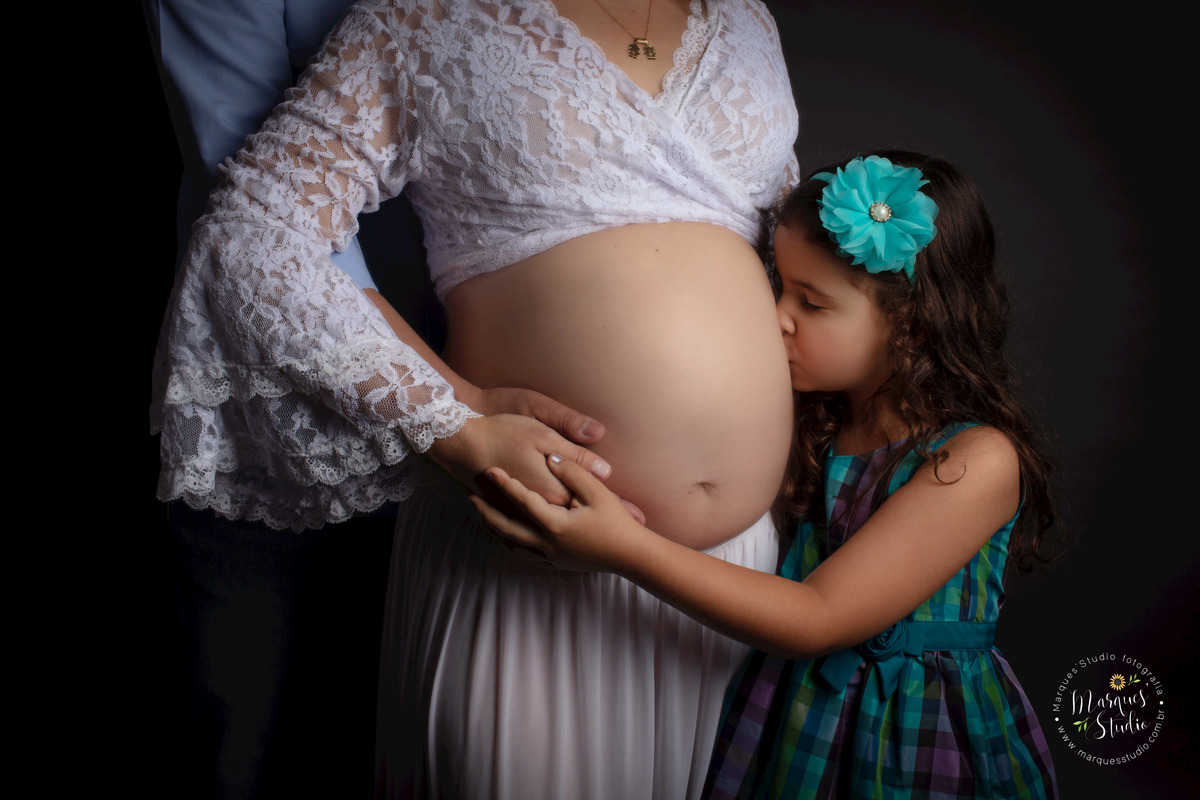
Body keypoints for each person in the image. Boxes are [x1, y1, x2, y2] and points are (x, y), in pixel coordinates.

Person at [150, 1, 799, 798]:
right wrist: (451, 426)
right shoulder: (423, 16)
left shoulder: (743, 19)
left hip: (737, 579)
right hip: (528, 547)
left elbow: (783, 250)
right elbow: (254, 232)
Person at [474, 151, 1060, 798]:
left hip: (910, 730)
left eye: (810, 302)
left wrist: (622, 547)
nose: (776, 316)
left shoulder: (972, 462)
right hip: (794, 715)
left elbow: (819, 615)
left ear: (911, 327)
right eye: (778, 287)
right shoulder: (818, 423)